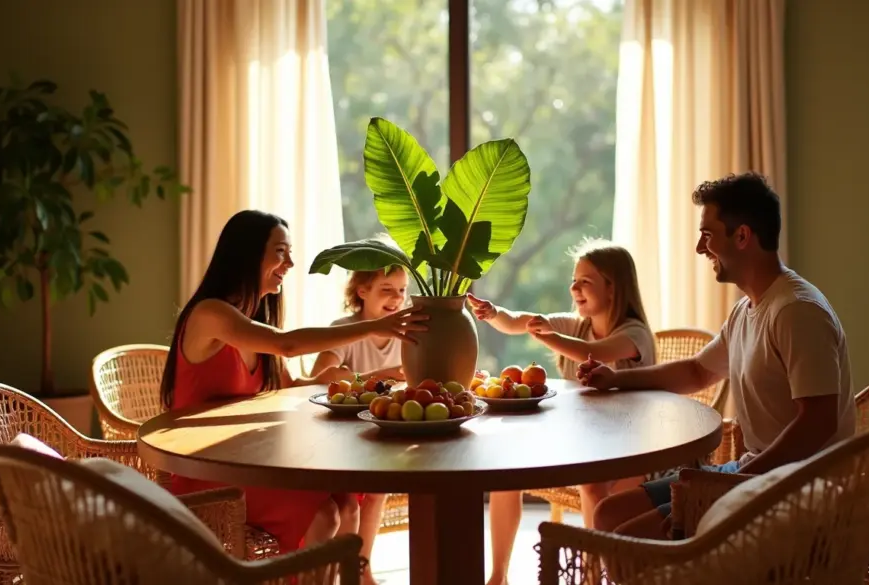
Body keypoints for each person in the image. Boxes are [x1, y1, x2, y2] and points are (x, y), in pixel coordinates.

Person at [582, 172, 855, 540]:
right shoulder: (748, 309)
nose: (699, 248)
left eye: (707, 235)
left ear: (742, 236)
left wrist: (741, 480)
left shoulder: (796, 311)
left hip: (797, 487)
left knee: (631, 551)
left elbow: (818, 422)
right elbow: (697, 372)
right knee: (608, 513)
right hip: (753, 472)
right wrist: (616, 378)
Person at [159, 210, 428, 556]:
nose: (290, 263)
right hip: (207, 470)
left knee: (348, 505)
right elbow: (286, 343)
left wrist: (372, 383)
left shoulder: (254, 321)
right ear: (247, 253)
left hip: (250, 463)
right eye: (281, 252)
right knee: (325, 514)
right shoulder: (211, 314)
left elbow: (299, 385)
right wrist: (372, 326)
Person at [467, 238, 656, 585]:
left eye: (585, 281)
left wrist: (546, 334)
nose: (574, 288)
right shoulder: (575, 324)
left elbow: (591, 352)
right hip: (581, 441)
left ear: (613, 289)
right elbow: (516, 322)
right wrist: (495, 314)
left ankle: (589, 576)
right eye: (574, 279)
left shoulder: (635, 334)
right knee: (505, 474)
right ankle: (497, 577)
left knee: (592, 485)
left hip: (631, 451)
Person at [309, 260, 410, 584]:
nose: (396, 298)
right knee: (365, 491)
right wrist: (380, 376)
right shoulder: (345, 328)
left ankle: (362, 569)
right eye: (386, 290)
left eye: (402, 291)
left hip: (384, 434)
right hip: (341, 439)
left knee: (379, 490)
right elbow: (320, 378)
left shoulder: (407, 335)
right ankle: (354, 571)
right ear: (362, 291)